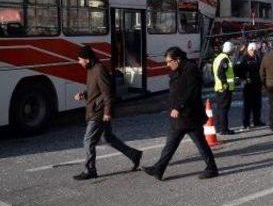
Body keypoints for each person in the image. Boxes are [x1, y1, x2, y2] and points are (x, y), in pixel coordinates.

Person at [143, 47, 219, 181]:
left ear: (177, 59)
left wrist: (179, 107)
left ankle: (212, 168)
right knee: (171, 144)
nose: (167, 64)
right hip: (180, 117)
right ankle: (159, 169)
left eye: (169, 61)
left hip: (189, 115)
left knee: (200, 143)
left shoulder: (191, 70)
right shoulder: (178, 70)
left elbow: (192, 92)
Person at [73, 46, 142, 180]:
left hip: (99, 112)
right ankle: (134, 155)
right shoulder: (91, 69)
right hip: (97, 109)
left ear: (87, 59)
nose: (79, 62)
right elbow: (96, 90)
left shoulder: (99, 70)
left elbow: (107, 93)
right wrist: (84, 94)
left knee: (88, 140)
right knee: (108, 138)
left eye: (80, 59)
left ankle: (90, 170)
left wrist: (107, 112)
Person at [237, 43, 265, 130]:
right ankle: (246, 123)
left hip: (257, 84)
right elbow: (238, 70)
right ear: (249, 49)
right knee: (247, 105)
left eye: (255, 50)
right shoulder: (244, 58)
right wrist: (244, 78)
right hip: (248, 85)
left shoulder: (257, 58)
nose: (254, 52)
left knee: (257, 104)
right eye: (253, 50)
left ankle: (257, 121)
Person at [212, 41, 237, 135]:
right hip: (224, 88)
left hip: (219, 87)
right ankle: (224, 129)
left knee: (220, 108)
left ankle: (219, 128)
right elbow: (220, 72)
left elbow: (215, 72)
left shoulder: (218, 57)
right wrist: (225, 83)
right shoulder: (225, 59)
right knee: (224, 109)